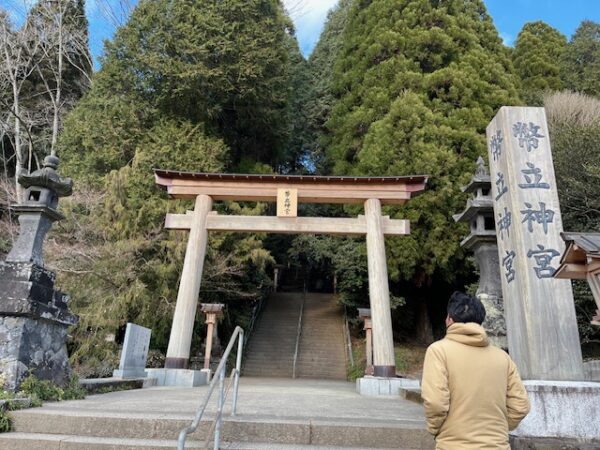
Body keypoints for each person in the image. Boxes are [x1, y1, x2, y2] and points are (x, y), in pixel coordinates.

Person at [421, 291, 530, 450]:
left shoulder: (438, 351)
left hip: (453, 444)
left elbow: (436, 403)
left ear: (449, 319)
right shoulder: (502, 357)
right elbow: (521, 405)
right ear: (480, 320)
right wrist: (497, 430)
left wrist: (435, 428)